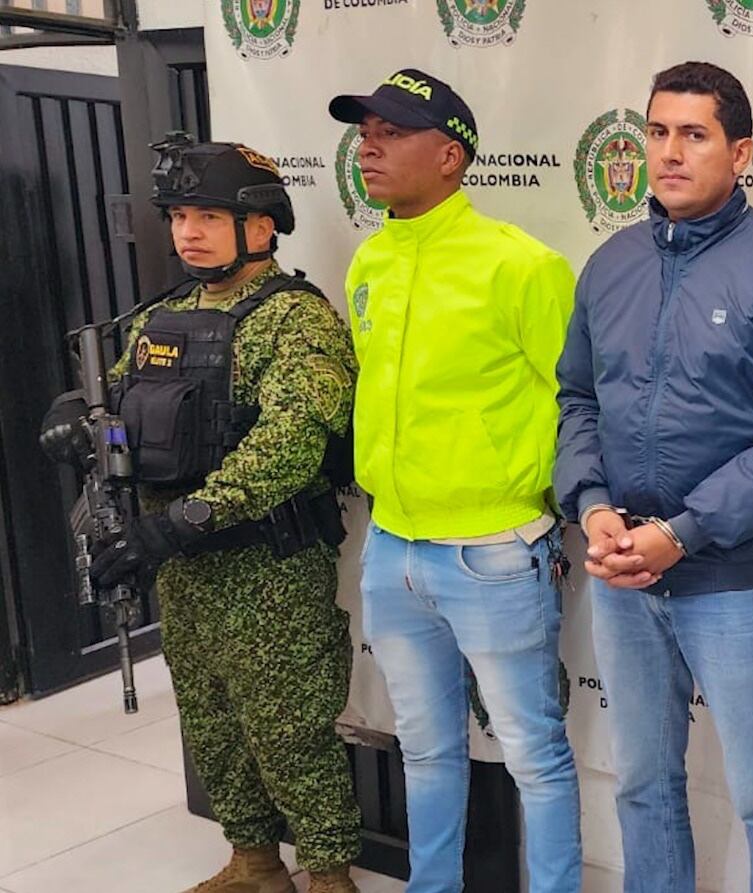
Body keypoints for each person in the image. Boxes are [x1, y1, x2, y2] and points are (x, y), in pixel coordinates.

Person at [38, 137, 362, 893]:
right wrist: (72, 417)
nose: (188, 233)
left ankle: (328, 874)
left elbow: (291, 443)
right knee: (211, 721)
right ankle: (254, 861)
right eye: (180, 216)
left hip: (268, 567)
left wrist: (183, 520)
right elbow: (115, 407)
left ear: (262, 225)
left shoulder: (294, 319)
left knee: (288, 727)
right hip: (182, 568)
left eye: (209, 216)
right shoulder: (165, 316)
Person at [555, 61, 753, 893]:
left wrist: (682, 533)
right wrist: (593, 505)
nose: (669, 152)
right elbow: (577, 399)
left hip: (733, 580)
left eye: (694, 134)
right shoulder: (610, 264)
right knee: (642, 786)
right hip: (623, 580)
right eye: (656, 132)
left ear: (740, 153)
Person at [328, 69, 580, 893]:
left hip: (494, 550)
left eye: (392, 133)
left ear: (450, 155)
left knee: (533, 753)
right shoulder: (370, 260)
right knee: (426, 749)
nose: (369, 148)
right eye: (366, 133)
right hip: (392, 544)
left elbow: (579, 401)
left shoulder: (521, 265)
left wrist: (544, 506)